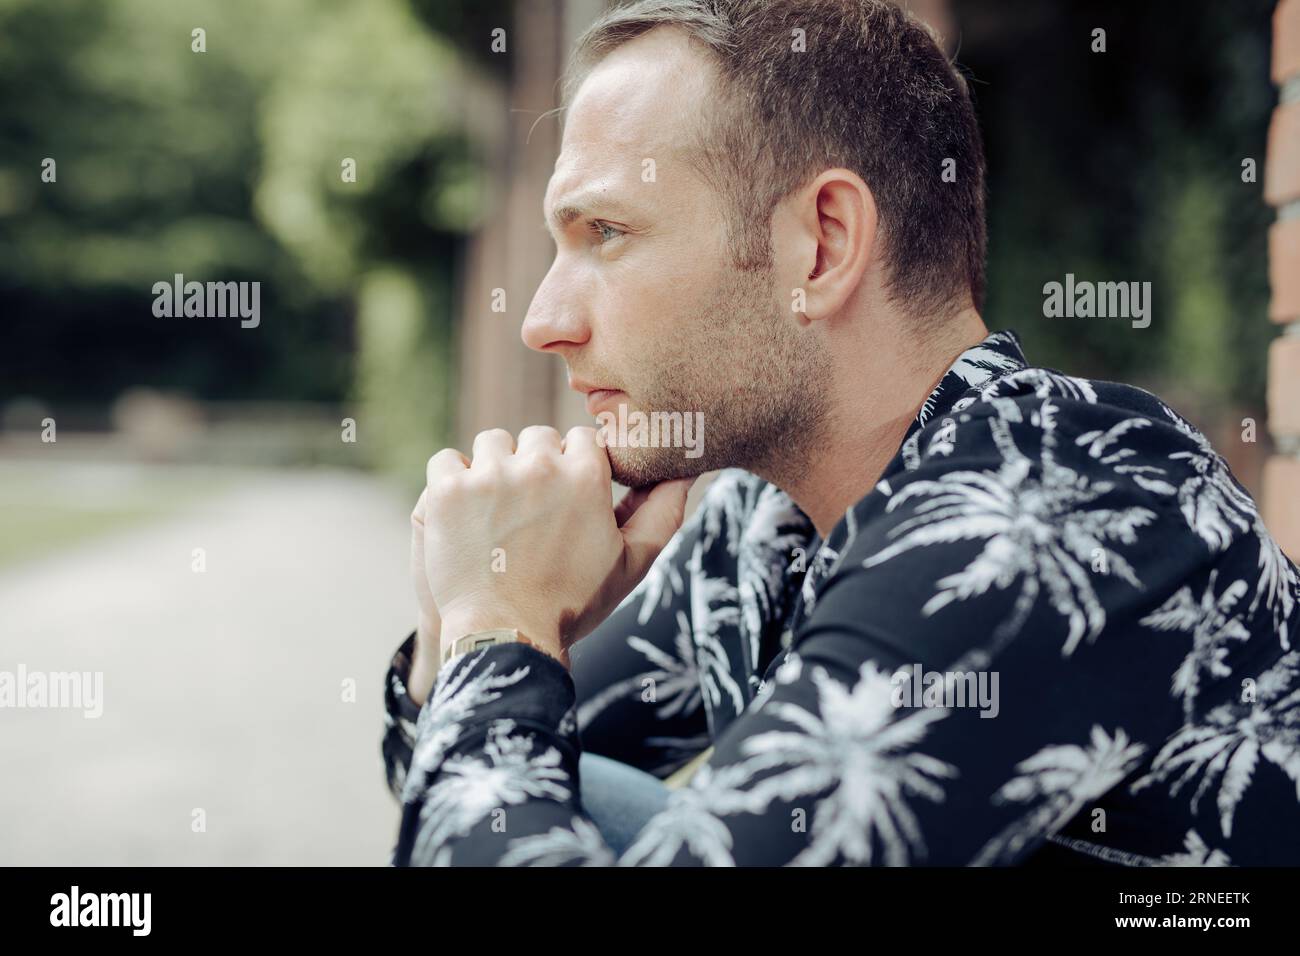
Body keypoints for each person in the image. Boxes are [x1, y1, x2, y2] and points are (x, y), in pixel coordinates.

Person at [380, 0, 1300, 866]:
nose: (542, 319)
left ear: (820, 246)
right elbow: (476, 775)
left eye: (608, 233)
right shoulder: (760, 523)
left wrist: (496, 626)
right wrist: (470, 611)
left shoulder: (1054, 503)